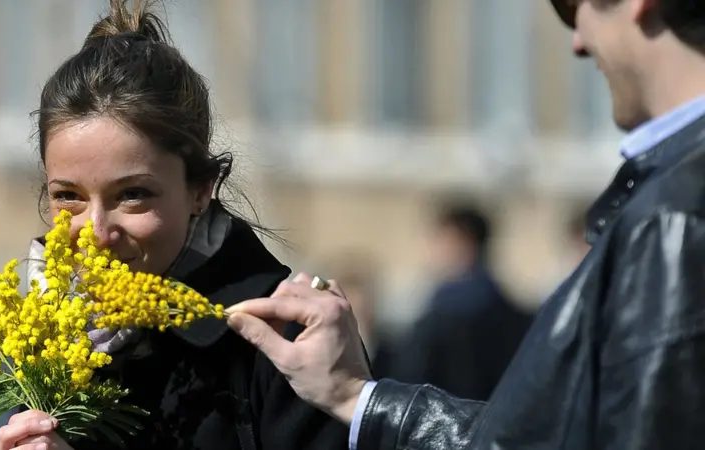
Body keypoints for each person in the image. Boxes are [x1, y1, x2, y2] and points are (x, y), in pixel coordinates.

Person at [226, 0, 705, 448]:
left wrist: (357, 396)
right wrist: (357, 396)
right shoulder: (669, 199)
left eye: (571, 6)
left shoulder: (674, 218)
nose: (577, 41)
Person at [0, 1, 348, 449]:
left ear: (201, 188)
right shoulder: (47, 338)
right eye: (69, 197)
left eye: (133, 194)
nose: (97, 232)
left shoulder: (284, 340)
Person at [392, 205, 530, 401]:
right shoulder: (514, 314)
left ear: (462, 242)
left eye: (439, 240)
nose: (432, 250)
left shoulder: (446, 317)